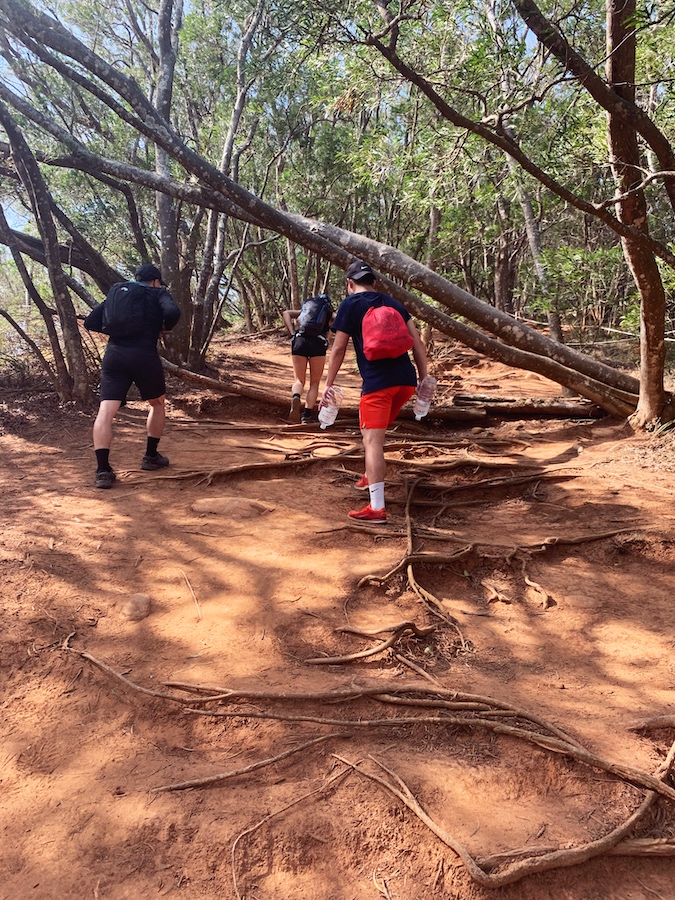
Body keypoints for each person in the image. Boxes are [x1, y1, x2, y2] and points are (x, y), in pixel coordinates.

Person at [322, 260, 428, 525]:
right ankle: (370, 475)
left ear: (349, 284)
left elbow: (338, 349)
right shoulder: (393, 303)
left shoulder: (349, 305)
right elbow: (418, 344)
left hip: (378, 385)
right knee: (370, 433)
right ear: (375, 283)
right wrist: (425, 378)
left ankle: (377, 508)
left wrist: (328, 384)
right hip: (405, 382)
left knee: (372, 442)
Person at [84, 263, 181, 489]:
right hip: (144, 354)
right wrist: (164, 327)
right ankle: (150, 457)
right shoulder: (157, 292)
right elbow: (173, 312)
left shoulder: (119, 293)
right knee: (157, 404)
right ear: (156, 281)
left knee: (106, 411)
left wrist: (116, 330)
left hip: (114, 355)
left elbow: (90, 322)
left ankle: (103, 471)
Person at [282, 295, 334, 425]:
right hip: (318, 343)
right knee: (314, 383)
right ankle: (306, 415)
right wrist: (329, 335)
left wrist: (292, 332)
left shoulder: (305, 310)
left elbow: (286, 313)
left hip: (300, 340)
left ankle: (296, 397)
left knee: (299, 380)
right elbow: (338, 321)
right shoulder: (329, 312)